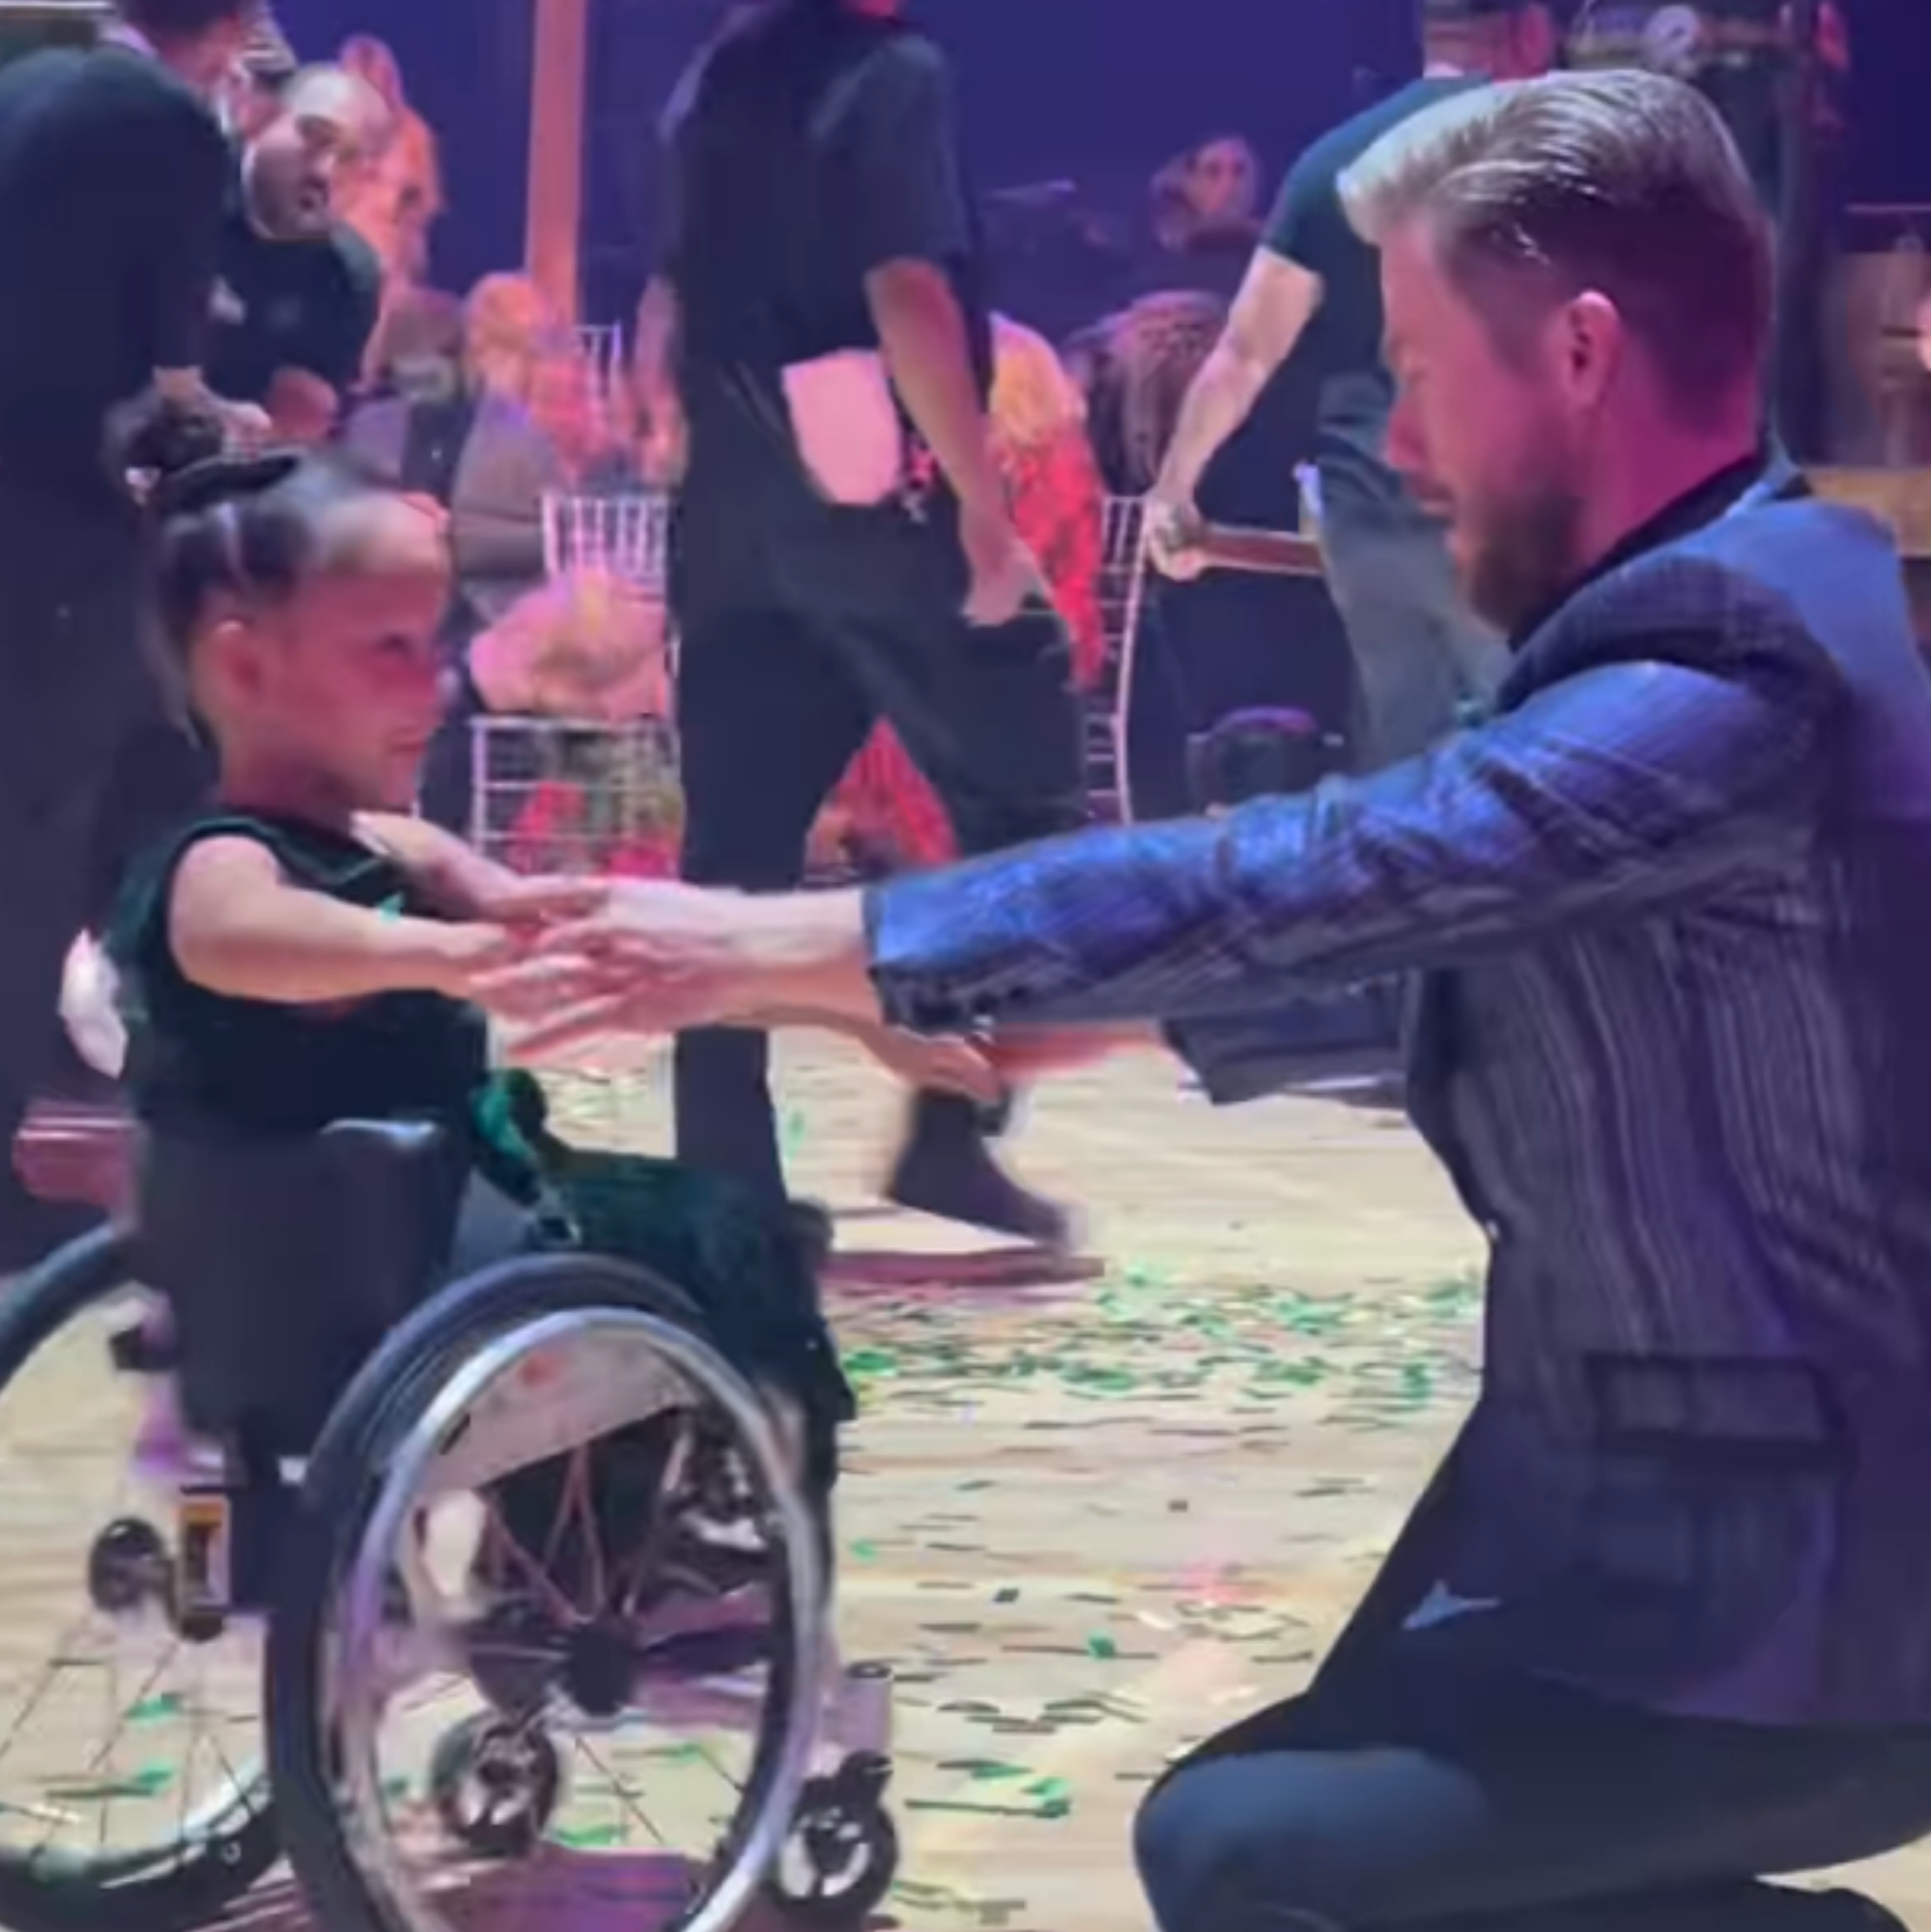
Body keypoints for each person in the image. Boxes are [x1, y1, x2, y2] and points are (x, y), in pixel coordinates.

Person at [519, 70, 1931, 1930]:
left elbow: (1351, 868)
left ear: (1579, 354)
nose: (1397, 441)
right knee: (1291, 1854)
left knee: (1248, 1863)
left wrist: (757, 941)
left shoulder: (1730, 660)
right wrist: (1084, 1022)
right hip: (1623, 1523)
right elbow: (1483, 965)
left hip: (1812, 1589)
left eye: (1419, 369)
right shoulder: (1707, 604)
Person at [108, 447, 995, 1497]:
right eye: (386, 648)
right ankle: (699, 1530)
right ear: (245, 670)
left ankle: (600, 1532)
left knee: (656, 1242)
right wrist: (439, 951)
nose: (429, 682)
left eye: (430, 643)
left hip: (372, 1260)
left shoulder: (397, 846)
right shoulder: (224, 860)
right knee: (727, 1237)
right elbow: (233, 935)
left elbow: (602, 945)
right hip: (390, 1264)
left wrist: (850, 1010)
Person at [636, 0, 1087, 1246]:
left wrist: (674, 432)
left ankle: (722, 1184)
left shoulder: (715, 76)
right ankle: (954, 1124)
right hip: (878, 506)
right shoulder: (893, 75)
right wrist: (988, 516)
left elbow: (668, 291)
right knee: (1026, 806)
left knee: (731, 857)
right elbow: (905, 291)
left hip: (732, 509)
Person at [0, 0, 271, 1264]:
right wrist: (238, 424)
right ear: (224, 32)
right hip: (47, 535)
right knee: (31, 849)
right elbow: (168, 384)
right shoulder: (171, 122)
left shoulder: (27, 89)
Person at [1149, 0, 1555, 775]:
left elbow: (1242, 351)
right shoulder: (1545, 150)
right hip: (1496, 519)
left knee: (1407, 777)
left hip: (1367, 527)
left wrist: (1173, 487)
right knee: (1534, 760)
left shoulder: (1330, 163)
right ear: (1524, 28)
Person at [207, 62, 388, 445]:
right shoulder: (183, 194)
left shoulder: (349, 275)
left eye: (350, 160)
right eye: (315, 138)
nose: (325, 172)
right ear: (263, 119)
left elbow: (298, 420)